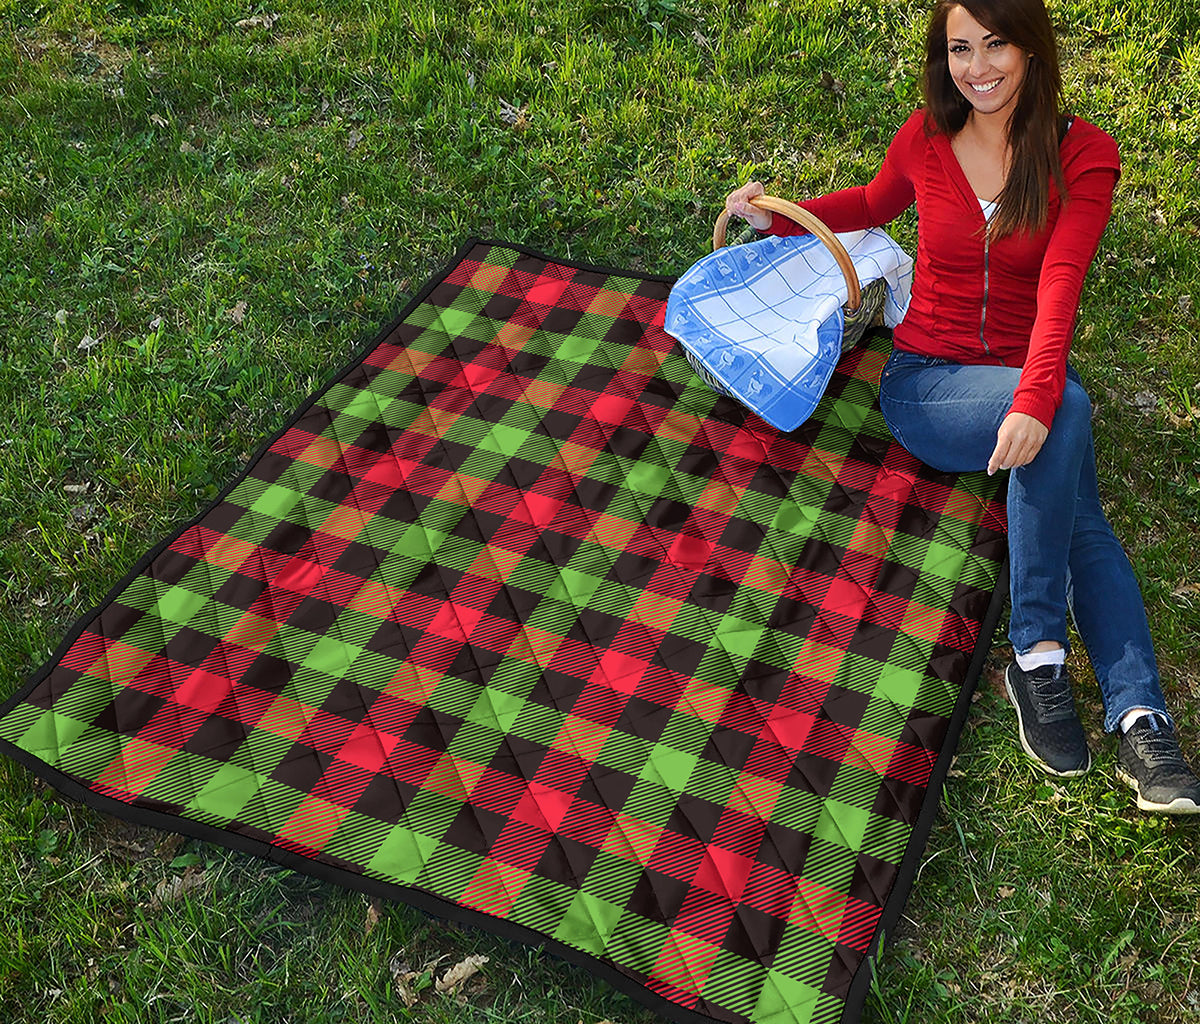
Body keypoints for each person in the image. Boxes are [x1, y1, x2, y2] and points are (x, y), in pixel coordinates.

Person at [724, 0, 1200, 814]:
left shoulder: (1083, 155)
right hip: (927, 384)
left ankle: (1135, 714)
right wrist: (779, 220)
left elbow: (1061, 284)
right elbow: (872, 205)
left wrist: (1037, 396)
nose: (977, 67)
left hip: (1020, 377)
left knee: (1074, 475)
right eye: (959, 49)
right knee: (1070, 421)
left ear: (1032, 48)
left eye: (996, 44)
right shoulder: (925, 137)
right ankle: (1044, 655)